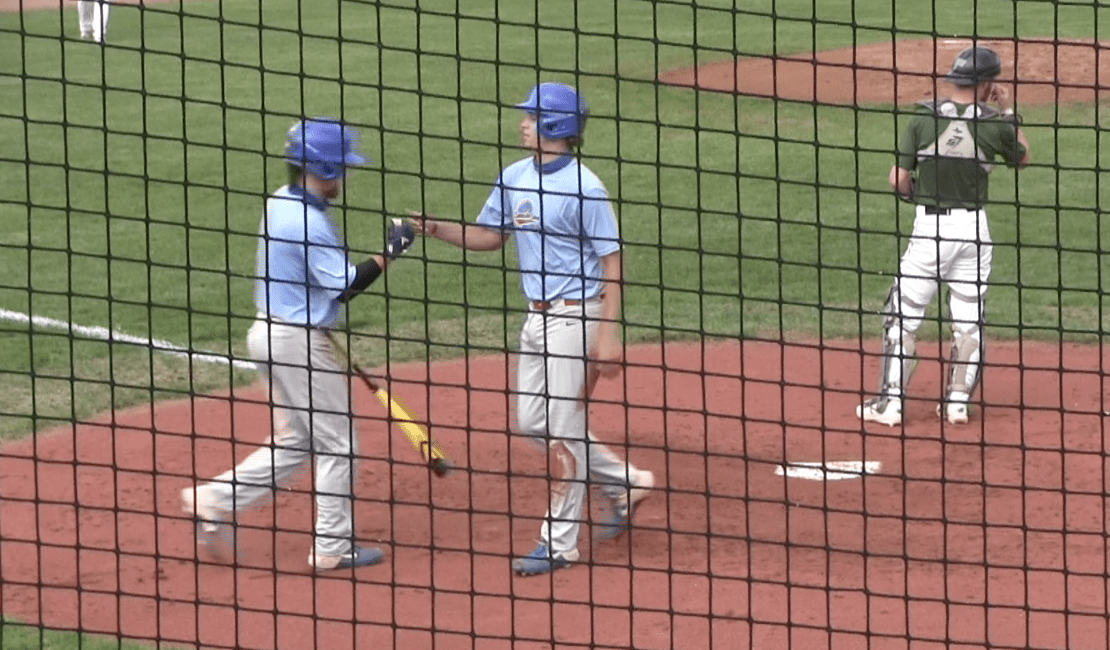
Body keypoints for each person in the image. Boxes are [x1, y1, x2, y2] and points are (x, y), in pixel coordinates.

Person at [407, 82, 655, 576]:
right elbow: (490, 236)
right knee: (532, 422)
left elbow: (613, 263)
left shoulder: (585, 187)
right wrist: (437, 228)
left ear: (556, 125)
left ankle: (559, 543)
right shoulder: (515, 176)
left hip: (576, 316)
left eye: (532, 117)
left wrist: (607, 336)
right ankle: (626, 481)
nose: (523, 124)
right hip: (536, 318)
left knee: (562, 430)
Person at [181, 117, 416, 571]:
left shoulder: (281, 201)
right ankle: (332, 546)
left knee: (300, 440)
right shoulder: (307, 222)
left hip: (271, 336)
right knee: (339, 444)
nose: (346, 176)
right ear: (324, 169)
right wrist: (392, 251)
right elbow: (344, 287)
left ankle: (213, 498)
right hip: (295, 344)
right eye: (342, 168)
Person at [857, 46, 1031, 427]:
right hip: (974, 233)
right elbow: (1022, 157)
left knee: (902, 316)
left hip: (930, 233)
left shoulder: (922, 119)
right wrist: (1006, 110)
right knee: (969, 320)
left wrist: (914, 193)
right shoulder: (994, 126)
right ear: (987, 84)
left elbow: (898, 180)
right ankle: (957, 403)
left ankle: (891, 403)